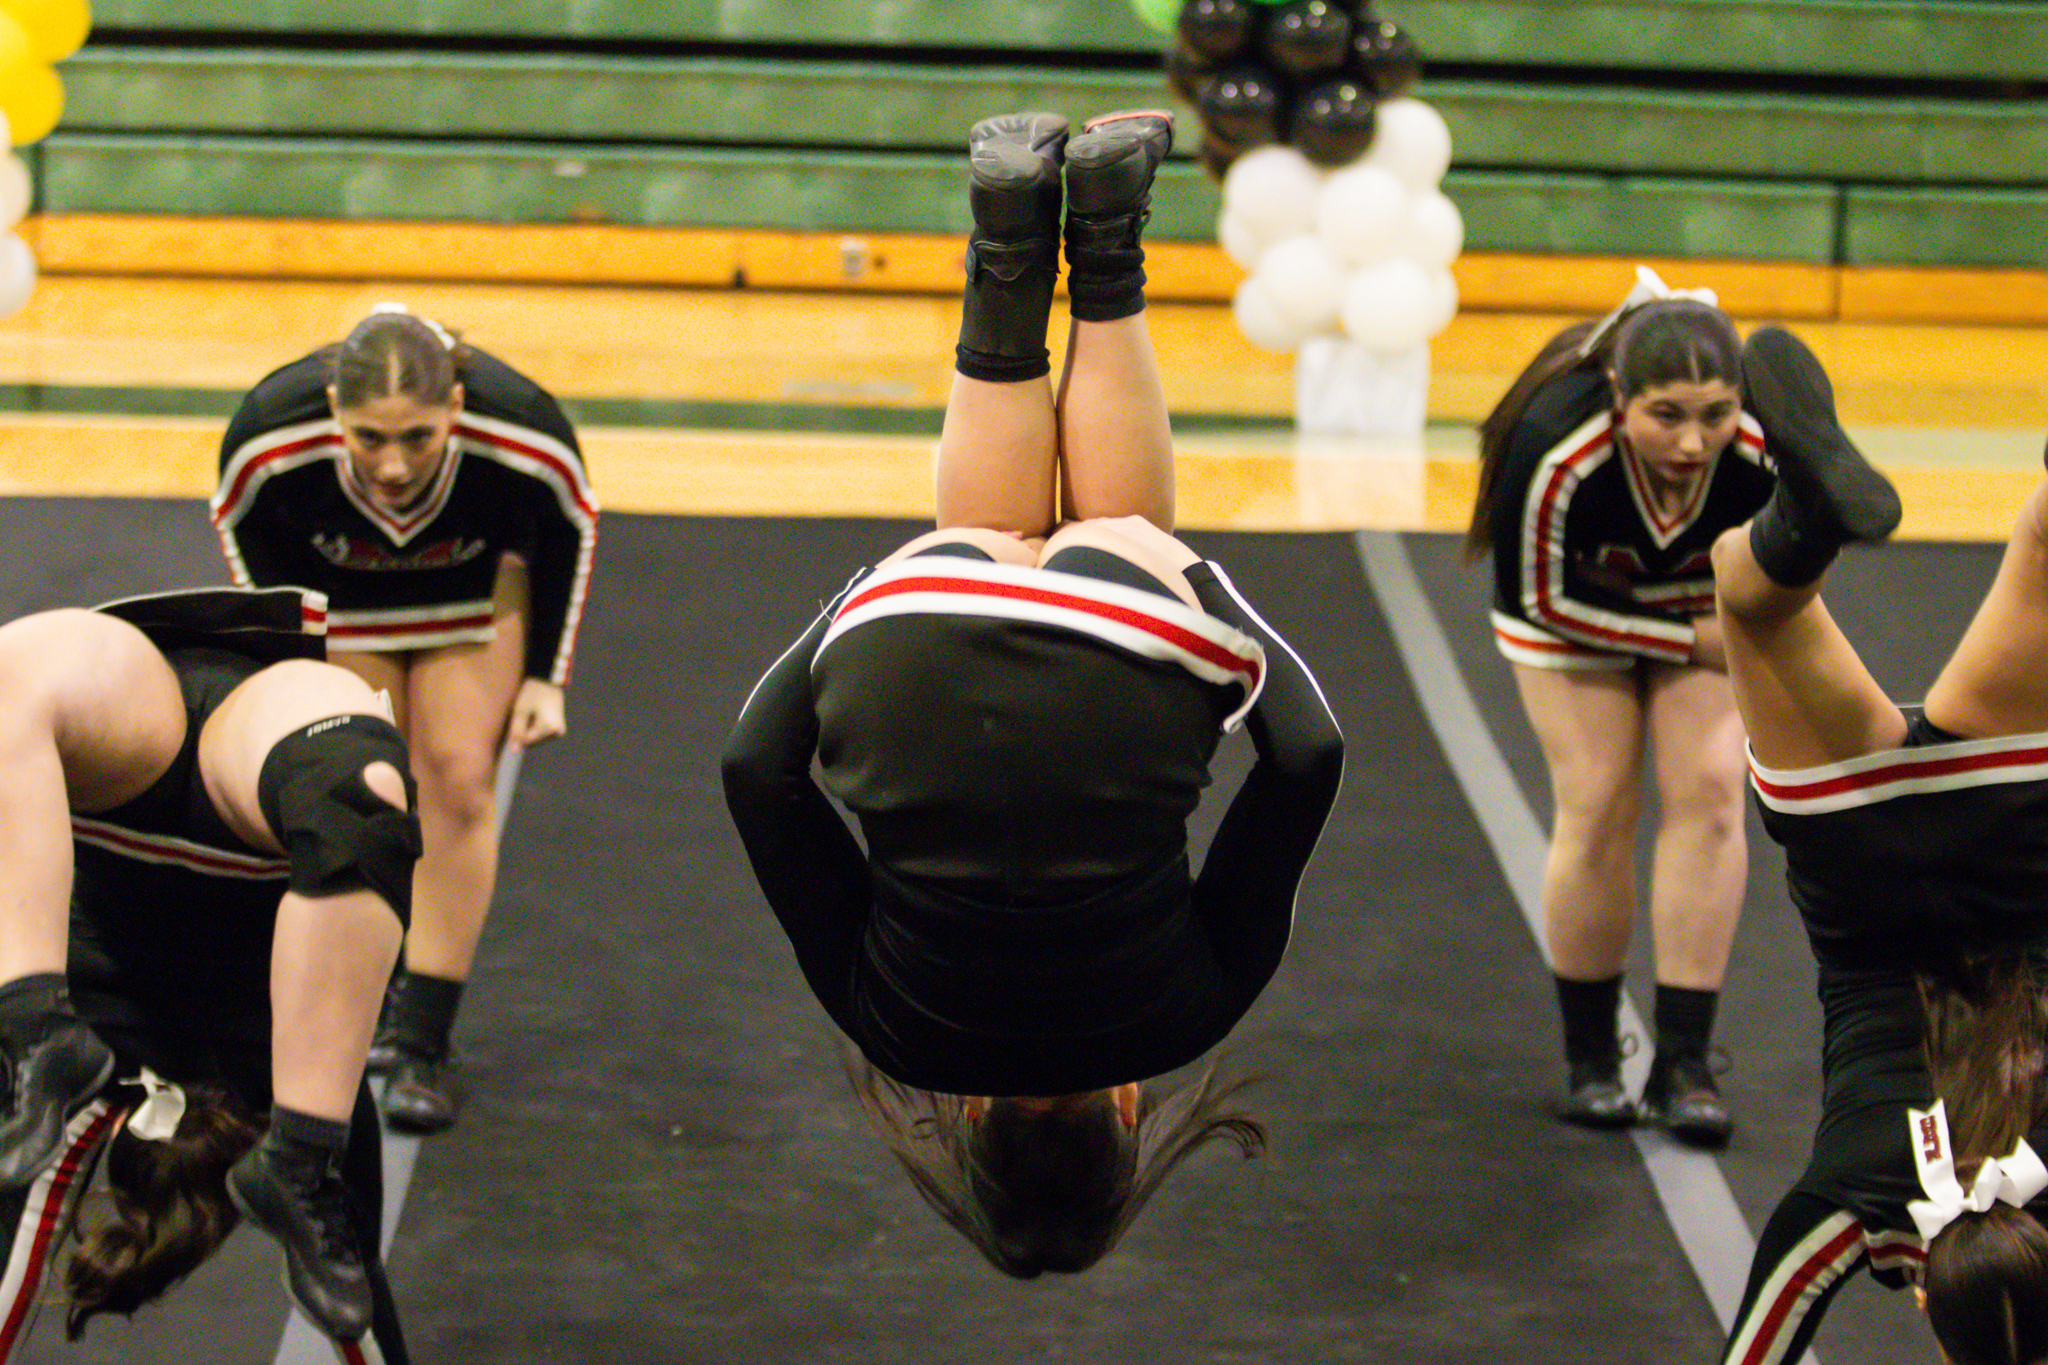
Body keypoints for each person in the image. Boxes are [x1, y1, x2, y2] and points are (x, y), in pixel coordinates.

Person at [722, 110, 1344, 1276]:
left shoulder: (1190, 1014)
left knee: (1117, 535)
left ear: (1125, 1120)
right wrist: (863, 605)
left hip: (1128, 649)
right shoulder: (888, 1027)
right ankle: (1006, 231)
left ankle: (1106, 225)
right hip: (900, 643)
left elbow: (1305, 757)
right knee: (983, 537)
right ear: (969, 1124)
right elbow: (755, 773)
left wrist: (1209, 603)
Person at [1710, 325, 2048, 1365]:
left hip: (2005, 826)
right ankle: (1793, 528)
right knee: (1748, 600)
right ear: (1923, 1317)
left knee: (2041, 561)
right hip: (1848, 845)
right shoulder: (1848, 1207)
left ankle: (1808, 514)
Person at [210, 308, 598, 1134]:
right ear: (330, 409)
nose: (392, 464)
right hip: (343, 596)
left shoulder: (523, 429)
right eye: (368, 438)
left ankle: (421, 1038)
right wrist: (289, 658)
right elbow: (244, 530)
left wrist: (544, 677)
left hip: (470, 597)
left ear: (456, 404)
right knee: (362, 788)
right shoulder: (269, 436)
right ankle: (360, 1004)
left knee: (458, 781)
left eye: (419, 438)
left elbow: (571, 526)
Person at [0, 585, 420, 1347]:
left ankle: (27, 1017)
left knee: (359, 802)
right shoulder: (297, 1067)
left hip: (135, 768)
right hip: (236, 780)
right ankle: (26, 1015)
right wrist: (308, 1141)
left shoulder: (283, 1064)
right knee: (360, 804)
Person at [1465, 274, 1777, 1143]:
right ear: (1617, 397)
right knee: (1598, 799)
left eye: (1714, 414)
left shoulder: (1760, 448)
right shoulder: (1554, 447)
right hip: (1575, 610)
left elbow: (1794, 570)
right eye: (1666, 414)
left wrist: (1725, 630)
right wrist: (1688, 644)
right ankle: (1592, 1057)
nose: (1692, 440)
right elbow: (1541, 602)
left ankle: (1684, 1061)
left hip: (1697, 603)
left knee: (1714, 791)